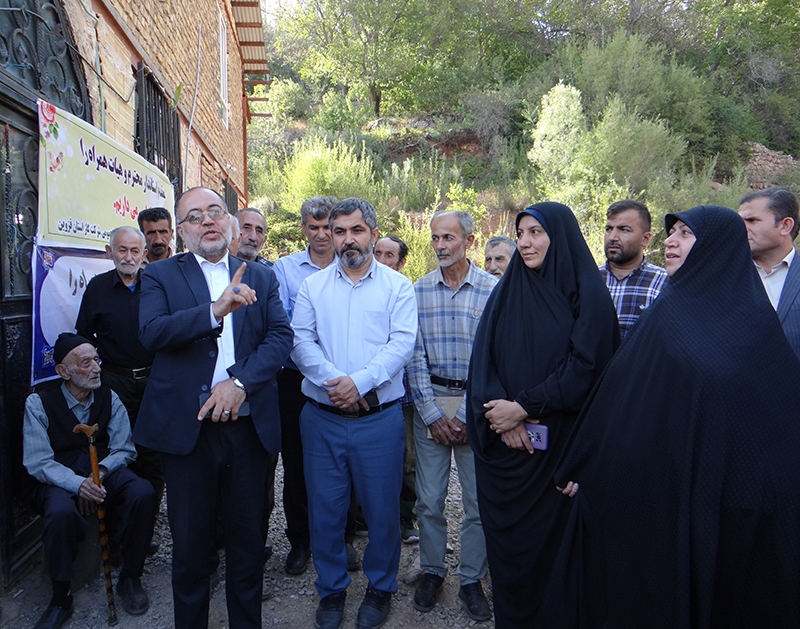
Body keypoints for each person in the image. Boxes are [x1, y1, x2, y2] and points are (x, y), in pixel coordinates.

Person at [543, 205, 800, 628]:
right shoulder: (668, 314)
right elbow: (623, 401)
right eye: (671, 232)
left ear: (719, 247)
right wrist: (588, 464)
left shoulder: (755, 320)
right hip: (665, 500)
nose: (670, 241)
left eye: (685, 233)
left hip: (729, 507)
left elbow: (776, 415)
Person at [133, 186, 293, 629]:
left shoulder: (260, 276)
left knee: (247, 545)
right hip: (188, 434)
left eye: (215, 212)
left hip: (247, 430)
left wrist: (239, 383)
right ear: (182, 231)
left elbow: (281, 337)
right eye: (195, 216)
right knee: (189, 549)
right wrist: (214, 309)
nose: (208, 221)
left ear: (230, 223)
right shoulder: (160, 275)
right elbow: (151, 333)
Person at [467, 202, 619, 628]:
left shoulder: (588, 293)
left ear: (561, 236)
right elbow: (484, 360)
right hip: (507, 447)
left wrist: (525, 407)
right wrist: (501, 413)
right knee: (511, 555)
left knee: (554, 555)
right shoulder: (508, 289)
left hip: (560, 449)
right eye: (521, 233)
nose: (525, 242)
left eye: (536, 232)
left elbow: (588, 367)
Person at [291, 198, 417, 629]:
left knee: (382, 512)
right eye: (339, 231)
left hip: (378, 421)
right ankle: (331, 590)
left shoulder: (398, 288)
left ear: (374, 233)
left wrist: (360, 382)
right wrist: (338, 384)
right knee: (325, 510)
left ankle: (381, 588)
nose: (347, 239)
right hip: (322, 419)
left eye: (356, 230)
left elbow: (401, 345)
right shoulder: (313, 287)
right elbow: (301, 343)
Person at [24, 333, 156, 629]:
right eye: (86, 363)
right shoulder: (39, 403)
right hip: (59, 475)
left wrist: (102, 475)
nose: (97, 368)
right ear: (63, 371)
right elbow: (38, 461)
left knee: (142, 492)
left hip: (102, 469)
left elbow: (124, 448)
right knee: (59, 513)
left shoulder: (109, 397)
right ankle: (62, 596)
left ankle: (130, 576)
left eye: (97, 360)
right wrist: (78, 484)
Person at [407, 212, 496, 621]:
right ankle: (431, 570)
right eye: (435, 239)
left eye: (449, 238)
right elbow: (413, 354)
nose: (441, 246)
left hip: (476, 404)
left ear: (469, 240)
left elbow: (492, 358)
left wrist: (464, 415)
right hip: (433, 396)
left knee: (478, 502)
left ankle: (471, 579)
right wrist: (431, 412)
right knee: (429, 499)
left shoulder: (494, 291)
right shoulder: (418, 291)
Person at [75, 226, 162, 554]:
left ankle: (144, 531)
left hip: (155, 381)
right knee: (117, 455)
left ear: (143, 254)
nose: (128, 257)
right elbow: (84, 335)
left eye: (134, 251)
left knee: (153, 457)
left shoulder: (156, 285)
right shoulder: (97, 289)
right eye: (121, 250)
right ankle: (114, 535)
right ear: (110, 252)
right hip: (114, 383)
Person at [271, 196, 339, 575]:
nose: (320, 234)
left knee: (338, 459)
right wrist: (316, 368)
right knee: (296, 463)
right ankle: (299, 541)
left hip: (344, 380)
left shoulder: (351, 264)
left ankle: (340, 538)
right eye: (312, 227)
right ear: (303, 229)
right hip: (294, 378)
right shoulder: (285, 269)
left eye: (326, 227)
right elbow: (285, 326)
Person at [373, 235, 419, 544]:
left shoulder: (408, 293)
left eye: (389, 255)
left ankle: (407, 519)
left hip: (403, 391)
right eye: (378, 253)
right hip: (370, 389)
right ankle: (366, 517)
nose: (382, 259)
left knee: (407, 458)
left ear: (401, 262)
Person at [738, 187, 800, 356]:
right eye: (739, 221)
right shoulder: (724, 275)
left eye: (751, 220)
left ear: (785, 226)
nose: (741, 228)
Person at [598, 200, 668, 339]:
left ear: (645, 239)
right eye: (609, 229)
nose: (612, 237)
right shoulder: (589, 279)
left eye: (624, 230)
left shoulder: (664, 283)